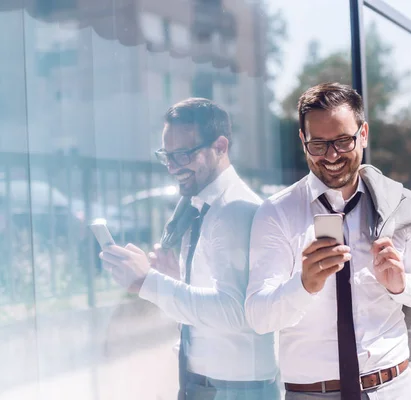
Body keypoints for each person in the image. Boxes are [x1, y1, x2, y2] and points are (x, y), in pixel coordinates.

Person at [245, 83, 411, 400]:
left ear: (363, 134)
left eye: (342, 141)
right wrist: (304, 285)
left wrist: (401, 284)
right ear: (302, 140)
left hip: (394, 388)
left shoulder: (396, 204)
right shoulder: (277, 213)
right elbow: (258, 316)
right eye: (318, 145)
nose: (332, 156)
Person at [100, 98, 280, 400]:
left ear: (220, 146)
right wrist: (176, 279)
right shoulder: (201, 205)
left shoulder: (234, 210)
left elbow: (235, 310)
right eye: (166, 156)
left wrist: (149, 281)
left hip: (234, 389)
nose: (172, 167)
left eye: (182, 155)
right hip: (211, 383)